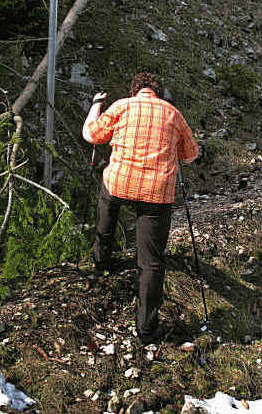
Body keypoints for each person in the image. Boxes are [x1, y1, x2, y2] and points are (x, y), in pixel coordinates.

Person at [82, 72, 198, 344]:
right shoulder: (173, 113)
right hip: (157, 194)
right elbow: (190, 155)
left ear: (135, 90)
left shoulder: (122, 106)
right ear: (158, 92)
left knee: (108, 205)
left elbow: (91, 135)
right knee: (151, 262)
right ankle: (146, 329)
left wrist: (96, 104)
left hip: (120, 182)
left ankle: (102, 261)